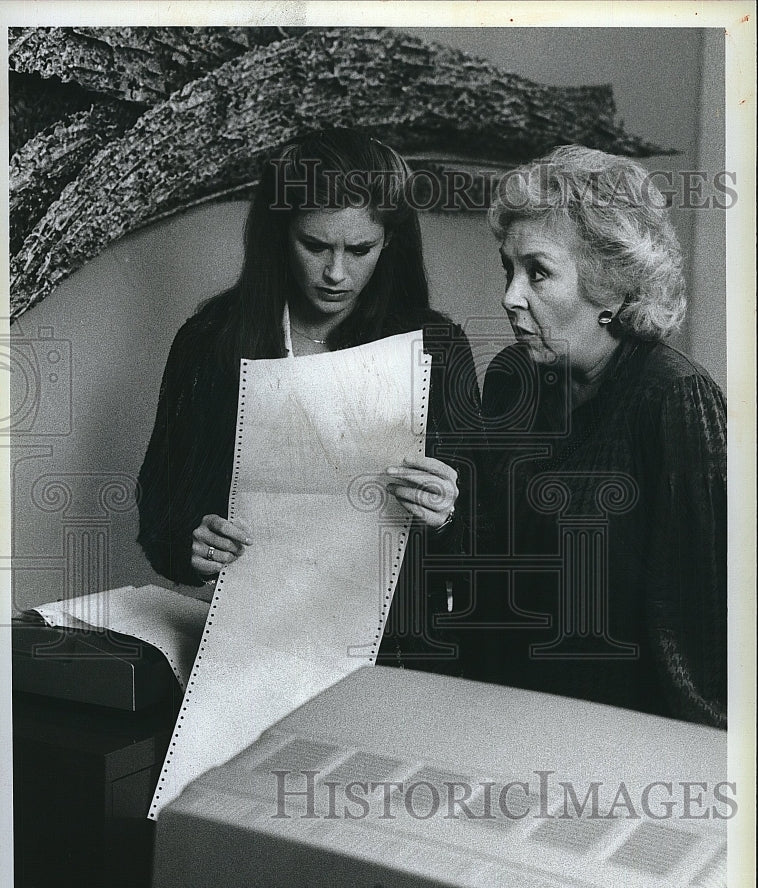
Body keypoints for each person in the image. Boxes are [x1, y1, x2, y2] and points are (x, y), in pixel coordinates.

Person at [137, 127, 480, 670]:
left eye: (359, 249)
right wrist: (193, 547)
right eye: (315, 245)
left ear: (389, 240)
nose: (336, 273)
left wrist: (448, 512)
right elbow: (162, 514)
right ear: (280, 235)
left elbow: (483, 536)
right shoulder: (212, 340)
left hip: (400, 651)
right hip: (255, 645)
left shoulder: (436, 347)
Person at [473, 144, 726, 727]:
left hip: (623, 748)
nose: (511, 295)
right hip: (496, 722)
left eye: (537, 272)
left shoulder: (675, 399)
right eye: (508, 270)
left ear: (610, 286)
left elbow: (707, 645)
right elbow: (486, 586)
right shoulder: (512, 382)